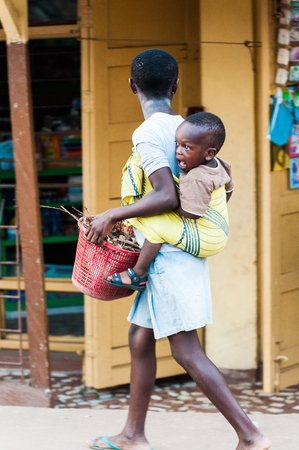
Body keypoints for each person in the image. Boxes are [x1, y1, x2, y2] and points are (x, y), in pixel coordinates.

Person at [86, 49, 271, 450]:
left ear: (131, 85)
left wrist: (111, 215)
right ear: (175, 86)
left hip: (170, 255)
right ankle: (133, 435)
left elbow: (166, 195)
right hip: (173, 249)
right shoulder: (185, 128)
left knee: (186, 350)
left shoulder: (149, 133)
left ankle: (250, 435)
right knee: (139, 337)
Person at [104, 112, 234, 292]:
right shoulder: (220, 164)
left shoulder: (196, 177)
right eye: (177, 144)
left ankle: (138, 274)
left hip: (208, 239)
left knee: (155, 225)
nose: (178, 151)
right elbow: (228, 190)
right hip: (219, 231)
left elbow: (192, 213)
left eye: (187, 147)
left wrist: (167, 206)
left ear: (209, 153)